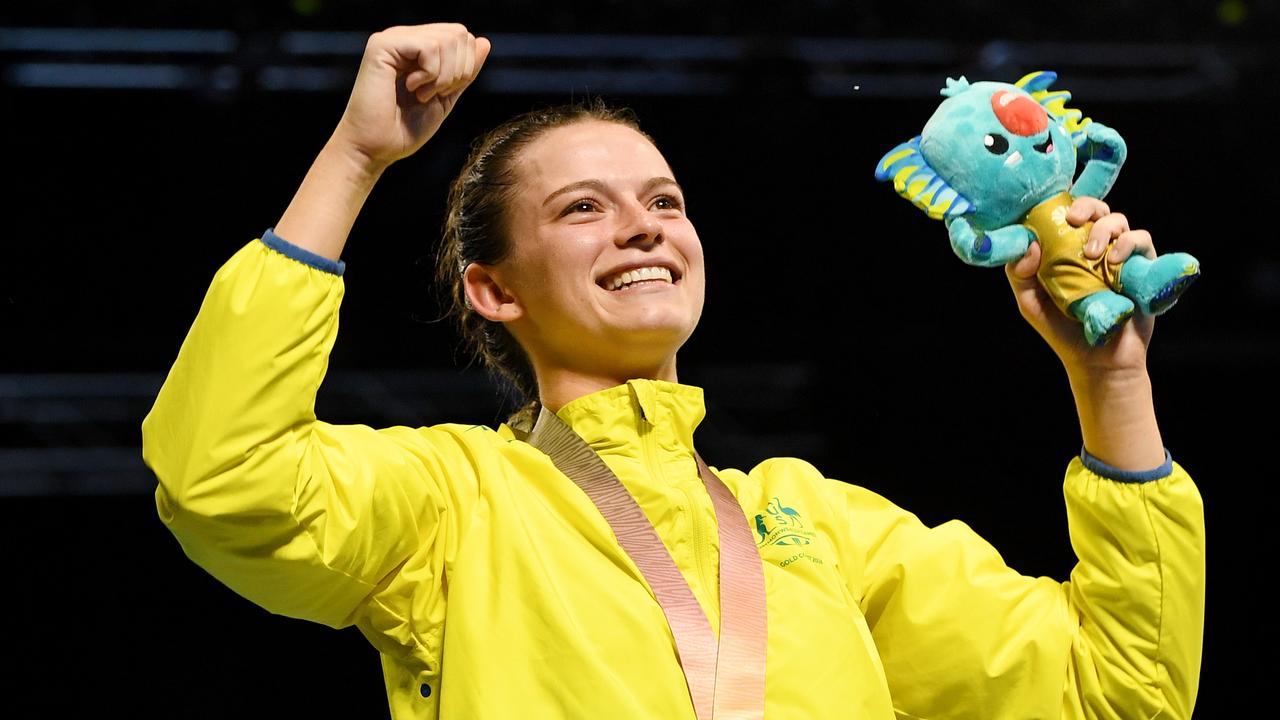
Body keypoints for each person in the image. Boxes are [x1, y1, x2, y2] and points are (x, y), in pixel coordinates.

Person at [141, 23, 1205, 719]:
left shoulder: (814, 524)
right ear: (493, 291)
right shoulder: (452, 509)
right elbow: (224, 478)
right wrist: (358, 158)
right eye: (580, 209)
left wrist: (1109, 380)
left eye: (663, 202)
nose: (643, 230)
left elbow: (1118, 690)